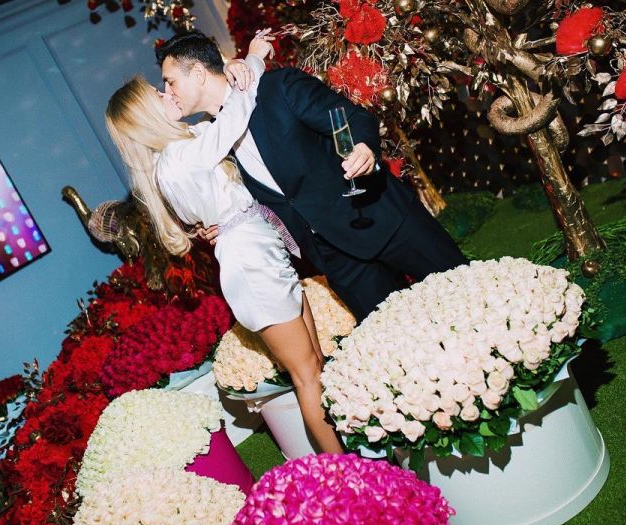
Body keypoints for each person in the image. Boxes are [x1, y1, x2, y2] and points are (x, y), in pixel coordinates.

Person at [106, 30, 342, 454]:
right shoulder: (178, 159)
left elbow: (220, 135)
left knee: (315, 365)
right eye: (159, 93)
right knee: (307, 374)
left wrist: (229, 67)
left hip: (260, 252)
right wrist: (252, 59)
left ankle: (349, 459)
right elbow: (234, 115)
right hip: (252, 264)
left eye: (166, 85)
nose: (168, 93)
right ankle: (347, 474)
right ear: (146, 116)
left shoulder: (182, 148)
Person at [156, 31, 468, 321]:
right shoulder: (210, 140)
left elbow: (352, 117)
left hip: (382, 219)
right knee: (396, 343)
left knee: (469, 298)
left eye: (171, 82)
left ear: (198, 73)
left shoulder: (278, 87)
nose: (168, 92)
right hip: (337, 259)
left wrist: (363, 148)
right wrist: (222, 223)